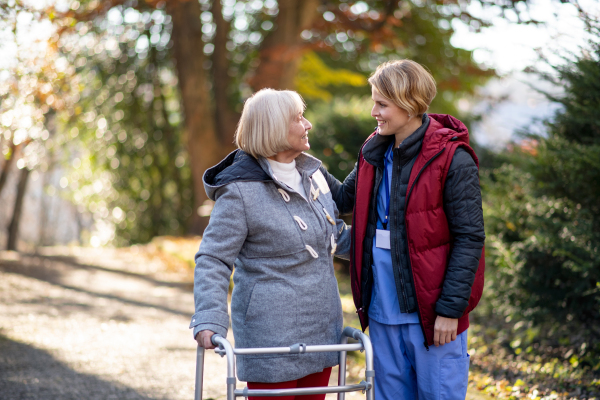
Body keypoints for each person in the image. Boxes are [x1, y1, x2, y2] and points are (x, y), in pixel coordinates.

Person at [324, 60, 486, 399]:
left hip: (433, 316)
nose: (373, 112)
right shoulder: (373, 151)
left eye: (381, 104)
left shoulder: (453, 158)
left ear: (409, 104)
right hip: (382, 313)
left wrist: (450, 310)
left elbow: (469, 238)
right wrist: (300, 161)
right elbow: (342, 199)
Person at [189, 88, 351, 400]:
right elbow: (213, 258)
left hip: (321, 330)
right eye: (298, 118)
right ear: (274, 127)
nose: (308, 125)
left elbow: (334, 235)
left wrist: (390, 247)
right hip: (271, 337)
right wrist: (210, 317)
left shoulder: (313, 173)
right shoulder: (239, 191)